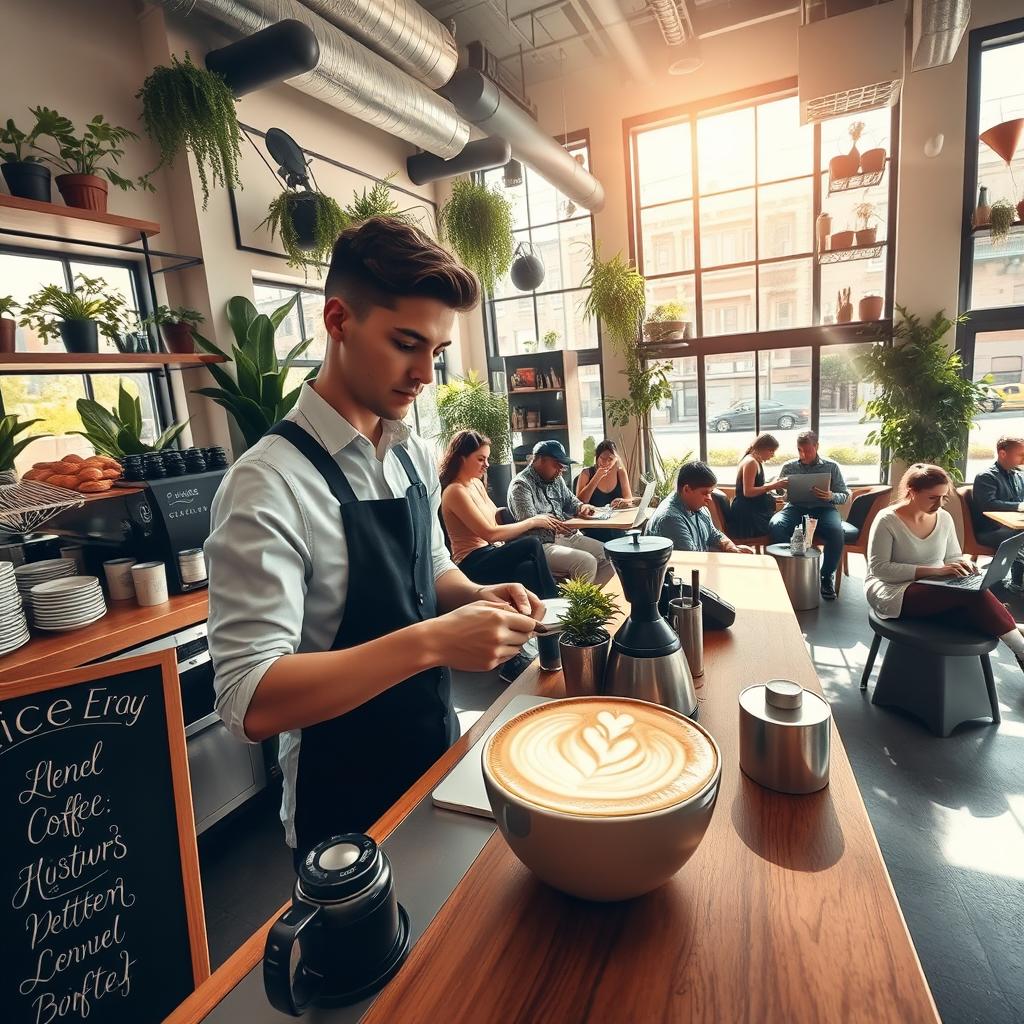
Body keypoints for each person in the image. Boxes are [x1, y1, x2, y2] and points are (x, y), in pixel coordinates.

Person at [206, 217, 542, 865]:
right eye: (406, 343)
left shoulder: (409, 450)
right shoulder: (266, 484)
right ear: (338, 320)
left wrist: (477, 595)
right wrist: (436, 640)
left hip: (437, 757)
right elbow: (248, 697)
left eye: (436, 353)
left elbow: (431, 570)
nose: (423, 374)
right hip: (342, 802)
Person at [865, 463, 1024, 672]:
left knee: (974, 592)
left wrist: (964, 564)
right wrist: (936, 571)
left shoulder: (944, 518)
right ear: (912, 491)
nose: (939, 504)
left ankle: (1008, 626)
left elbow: (954, 556)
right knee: (974, 597)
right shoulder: (887, 520)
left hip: (936, 585)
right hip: (893, 590)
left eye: (944, 497)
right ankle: (1018, 643)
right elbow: (879, 569)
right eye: (933, 497)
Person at [439, 428, 559, 600]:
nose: (487, 464)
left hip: (490, 553)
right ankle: (557, 603)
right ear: (461, 458)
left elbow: (496, 516)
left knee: (527, 569)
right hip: (472, 562)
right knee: (532, 544)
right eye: (481, 459)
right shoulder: (454, 491)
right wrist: (533, 522)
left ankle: (540, 617)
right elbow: (490, 533)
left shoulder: (475, 484)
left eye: (487, 459)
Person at [507, 440, 615, 585]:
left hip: (567, 536)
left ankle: (584, 601)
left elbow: (572, 502)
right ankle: (577, 605)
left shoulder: (556, 479)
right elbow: (528, 521)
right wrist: (554, 524)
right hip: (540, 545)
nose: (560, 469)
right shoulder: (521, 485)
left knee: (611, 555)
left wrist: (581, 507)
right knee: (587, 562)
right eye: (557, 464)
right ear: (539, 460)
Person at [769, 430, 850, 601]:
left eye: (807, 450)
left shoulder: (831, 466)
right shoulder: (789, 466)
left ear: (817, 446)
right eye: (800, 450)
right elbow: (779, 491)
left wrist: (831, 496)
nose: (803, 454)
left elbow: (844, 494)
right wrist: (778, 486)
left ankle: (826, 576)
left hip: (824, 509)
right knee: (776, 524)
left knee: (837, 531)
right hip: (795, 507)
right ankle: (788, 569)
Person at [647, 461, 755, 554]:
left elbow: (713, 533)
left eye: (711, 492)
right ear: (686, 489)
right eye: (705, 493)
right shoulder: (670, 519)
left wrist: (731, 548)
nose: (709, 498)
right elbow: (693, 559)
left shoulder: (696, 506)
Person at [971, 435, 1024, 592]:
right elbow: (988, 504)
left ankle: (1017, 582)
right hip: (991, 530)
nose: (1023, 459)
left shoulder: (1018, 475)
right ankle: (1016, 584)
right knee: (1021, 537)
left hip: (1013, 528)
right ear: (1002, 453)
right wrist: (1020, 506)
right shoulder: (986, 477)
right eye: (1020, 454)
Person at [728, 433, 787, 539]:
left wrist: (772, 486)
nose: (773, 455)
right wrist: (773, 486)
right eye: (771, 451)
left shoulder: (753, 460)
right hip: (747, 515)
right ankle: (776, 554)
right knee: (780, 528)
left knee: (780, 523)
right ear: (762, 448)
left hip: (751, 510)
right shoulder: (751, 462)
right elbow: (748, 492)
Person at [575, 439, 636, 541]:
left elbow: (629, 500)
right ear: (597, 458)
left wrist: (622, 502)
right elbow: (579, 502)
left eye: (610, 459)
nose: (606, 462)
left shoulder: (620, 472)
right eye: (602, 458)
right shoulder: (586, 473)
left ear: (616, 459)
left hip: (615, 525)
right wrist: (597, 477)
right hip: (593, 527)